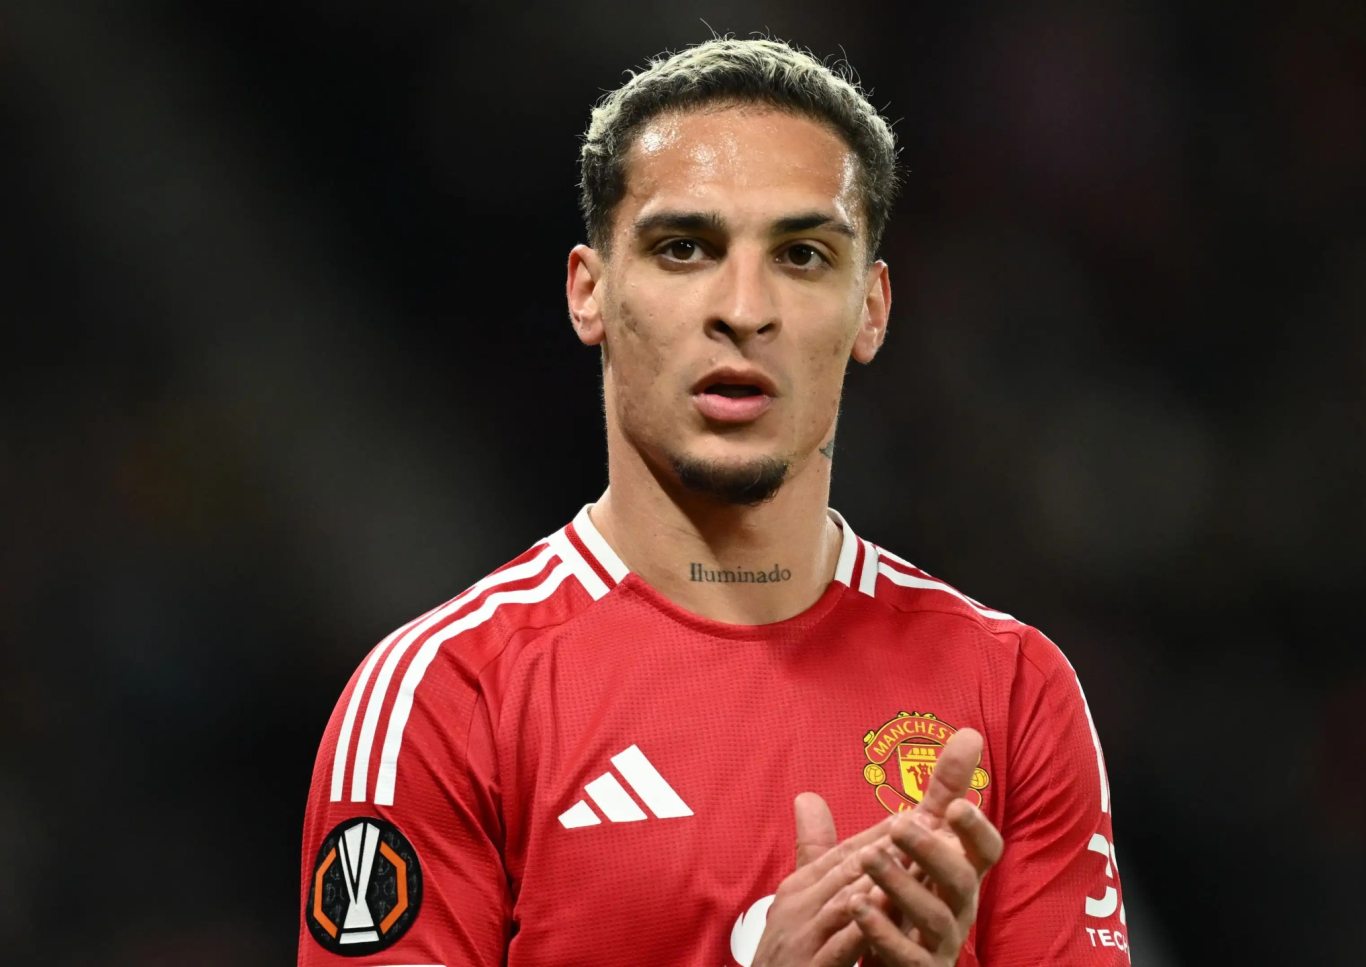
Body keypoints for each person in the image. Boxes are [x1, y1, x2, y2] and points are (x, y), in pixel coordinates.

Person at [298, 37, 1130, 967]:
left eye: (803, 255)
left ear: (872, 309)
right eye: (684, 248)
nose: (743, 307)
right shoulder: (443, 699)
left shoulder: (1012, 691)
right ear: (589, 293)